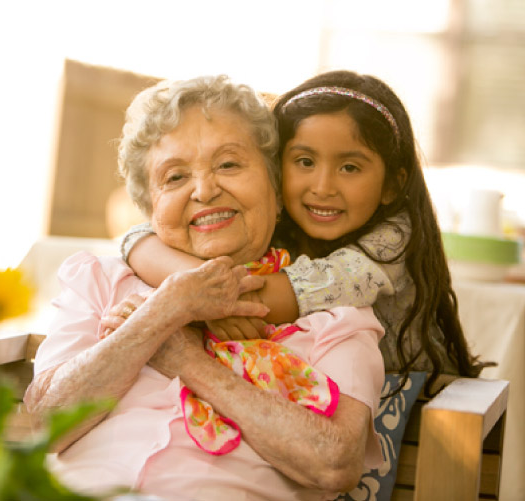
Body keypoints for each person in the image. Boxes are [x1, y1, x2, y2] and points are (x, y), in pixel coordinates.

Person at [24, 75, 386, 501]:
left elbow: (334, 464)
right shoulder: (101, 281)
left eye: (228, 164)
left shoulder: (335, 315)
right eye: (174, 177)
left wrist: (186, 361)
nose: (205, 189)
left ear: (275, 189)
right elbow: (47, 426)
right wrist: (165, 311)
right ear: (150, 209)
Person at [118, 70, 487, 394]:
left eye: (350, 167)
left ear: (392, 183)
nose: (323, 186)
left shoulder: (391, 244)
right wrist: (195, 291)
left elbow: (270, 298)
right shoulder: (277, 220)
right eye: (305, 162)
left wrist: (200, 298)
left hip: (414, 415)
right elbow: (137, 238)